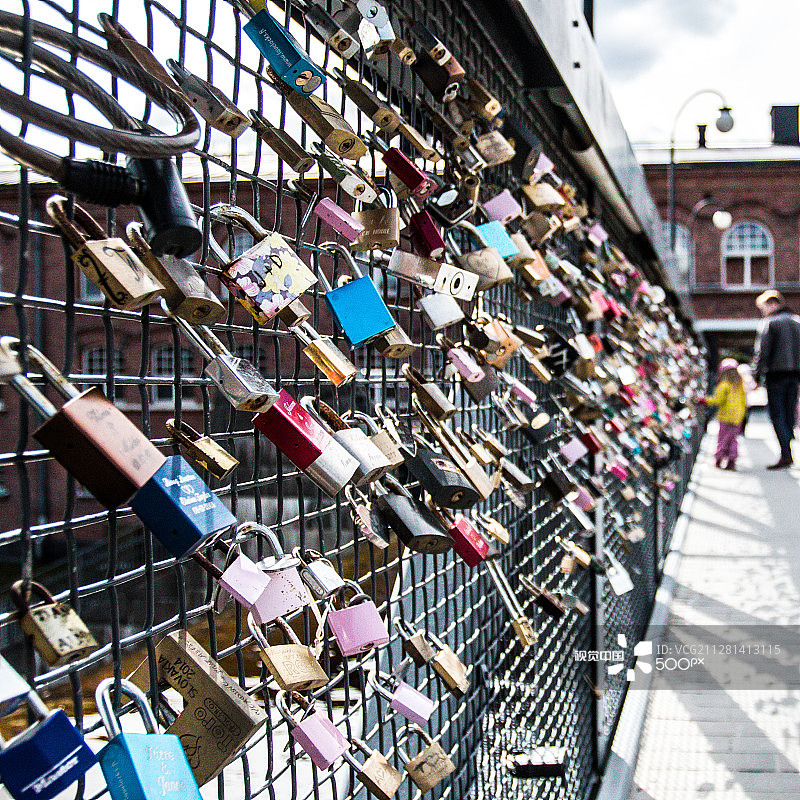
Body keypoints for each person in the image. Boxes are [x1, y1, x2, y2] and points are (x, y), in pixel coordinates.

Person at [753, 289, 800, 468]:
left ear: (771, 304)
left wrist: (757, 376)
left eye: (762, 307)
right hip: (794, 375)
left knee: (778, 414)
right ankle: (788, 449)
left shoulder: (770, 323)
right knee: (789, 413)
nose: (762, 311)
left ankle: (786, 453)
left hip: (776, 375)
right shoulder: (797, 322)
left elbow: (762, 351)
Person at [703, 358, 746, 470]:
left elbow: (717, 400)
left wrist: (705, 400)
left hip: (725, 417)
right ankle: (732, 460)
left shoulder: (724, 385)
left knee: (722, 438)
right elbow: (743, 402)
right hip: (737, 418)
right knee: (733, 439)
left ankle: (719, 458)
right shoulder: (739, 386)